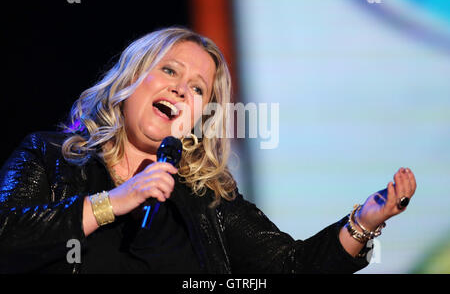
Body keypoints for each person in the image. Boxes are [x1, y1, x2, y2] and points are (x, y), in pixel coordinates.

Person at [0, 27, 416, 273]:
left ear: (198, 116)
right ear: (130, 80)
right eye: (168, 70)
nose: (181, 88)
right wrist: (117, 200)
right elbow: (8, 238)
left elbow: (292, 265)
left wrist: (364, 220)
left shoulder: (207, 197)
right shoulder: (53, 156)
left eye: (197, 88)